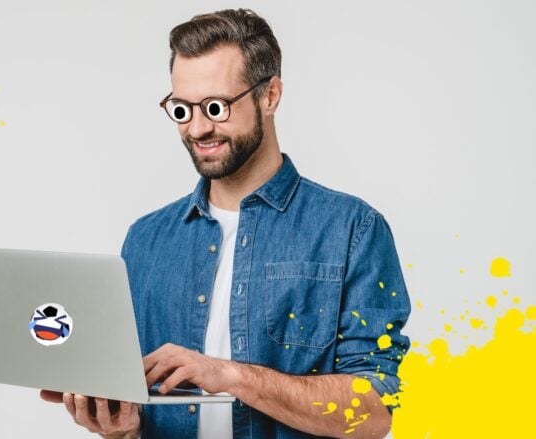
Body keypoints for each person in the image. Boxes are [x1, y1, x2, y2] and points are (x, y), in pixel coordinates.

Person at [41, 8, 411, 439]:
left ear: (269, 95)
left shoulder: (352, 229)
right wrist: (123, 429)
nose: (197, 128)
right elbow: (139, 403)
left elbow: (375, 410)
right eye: (182, 109)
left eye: (215, 107)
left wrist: (233, 376)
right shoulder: (145, 239)